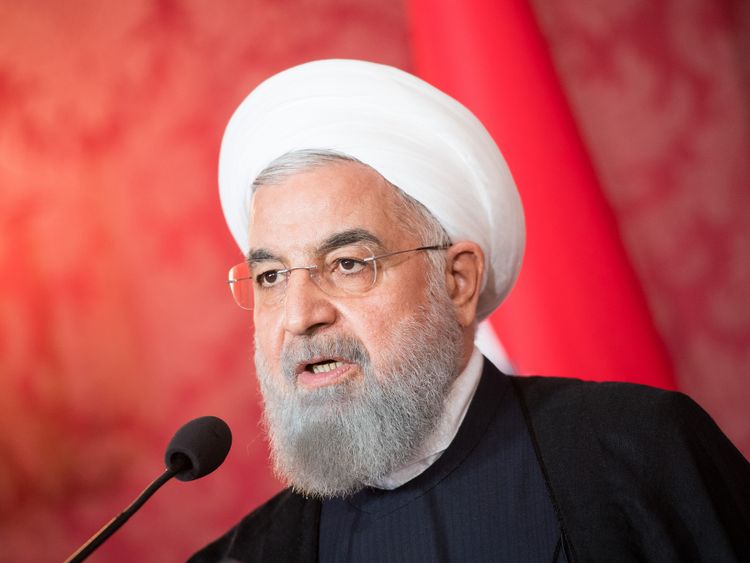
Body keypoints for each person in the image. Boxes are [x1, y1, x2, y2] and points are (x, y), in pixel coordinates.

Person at [189, 60, 750, 562]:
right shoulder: (245, 556)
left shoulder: (641, 452)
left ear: (457, 281)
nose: (299, 316)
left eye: (347, 264)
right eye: (271, 277)